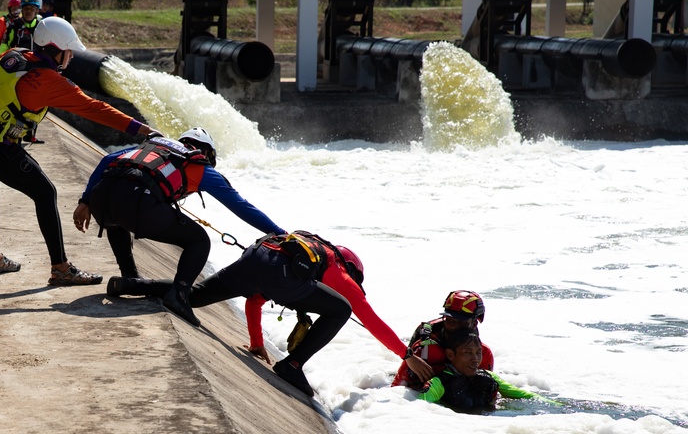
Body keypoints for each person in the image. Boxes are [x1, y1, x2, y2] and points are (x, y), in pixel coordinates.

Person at [0, 16, 157, 283]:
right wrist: (142, 130)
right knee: (46, 193)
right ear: (55, 50)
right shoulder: (49, 81)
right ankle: (61, 268)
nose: (70, 57)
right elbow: (95, 109)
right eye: (68, 51)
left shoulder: (16, 56)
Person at [106, 231, 434, 398]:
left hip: (258, 256)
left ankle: (135, 284)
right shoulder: (337, 269)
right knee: (343, 309)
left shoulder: (303, 247)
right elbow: (369, 318)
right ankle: (292, 364)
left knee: (192, 296)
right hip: (279, 274)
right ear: (350, 269)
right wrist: (407, 354)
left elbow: (255, 300)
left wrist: (256, 342)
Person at [72, 128, 285, 325]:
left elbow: (108, 159)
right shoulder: (199, 165)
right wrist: (279, 233)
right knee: (199, 240)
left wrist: (85, 200)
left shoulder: (154, 145)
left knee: (118, 217)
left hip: (101, 199)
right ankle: (179, 295)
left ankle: (130, 278)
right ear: (206, 152)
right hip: (137, 204)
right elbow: (241, 206)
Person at [418, 329, 556, 412]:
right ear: (450, 355)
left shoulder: (487, 376)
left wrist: (560, 407)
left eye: (478, 353)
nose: (475, 359)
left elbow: (525, 396)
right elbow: (419, 410)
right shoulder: (439, 383)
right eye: (467, 352)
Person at [391, 290, 495, 390]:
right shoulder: (425, 345)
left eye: (459, 321)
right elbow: (398, 388)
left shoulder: (483, 353)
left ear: (474, 324)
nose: (451, 325)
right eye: (449, 318)